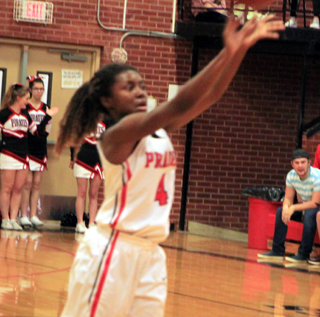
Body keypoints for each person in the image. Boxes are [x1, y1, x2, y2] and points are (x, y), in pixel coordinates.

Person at [55, 15, 284, 317]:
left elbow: (211, 96)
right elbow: (176, 105)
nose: (139, 91)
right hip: (113, 250)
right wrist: (226, 51)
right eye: (128, 87)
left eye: (141, 85)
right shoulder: (116, 135)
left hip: (151, 254)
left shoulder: (157, 129)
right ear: (108, 101)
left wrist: (240, 49)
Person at [0, 84, 58, 231]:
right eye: (26, 99)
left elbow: (37, 132)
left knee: (18, 189)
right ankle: (5, 219)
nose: (28, 101)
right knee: (7, 188)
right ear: (18, 98)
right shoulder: (4, 113)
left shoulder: (26, 114)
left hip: (23, 155)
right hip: (8, 154)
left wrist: (47, 117)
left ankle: (14, 218)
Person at [258, 149, 320, 262]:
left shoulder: (317, 176)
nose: (300, 166)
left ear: (309, 163)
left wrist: (293, 207)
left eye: (303, 162)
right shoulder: (291, 176)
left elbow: (315, 203)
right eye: (297, 163)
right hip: (304, 205)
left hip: (316, 206)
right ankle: (277, 250)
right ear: (292, 164)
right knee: (281, 211)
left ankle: (304, 254)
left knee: (309, 215)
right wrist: (287, 208)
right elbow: (288, 198)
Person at [69, 87, 109, 233]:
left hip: (99, 159)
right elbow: (74, 139)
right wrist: (72, 157)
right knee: (82, 192)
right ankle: (80, 222)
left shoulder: (107, 120)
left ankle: (92, 222)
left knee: (94, 194)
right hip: (83, 157)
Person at [20, 76, 56, 228]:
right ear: (30, 90)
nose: (39, 91)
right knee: (26, 183)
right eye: (36, 89)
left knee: (36, 184)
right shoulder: (25, 107)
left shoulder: (46, 108)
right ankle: (23, 215)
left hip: (40, 149)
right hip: (27, 147)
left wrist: (39, 131)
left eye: (41, 89)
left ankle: (33, 215)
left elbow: (46, 132)